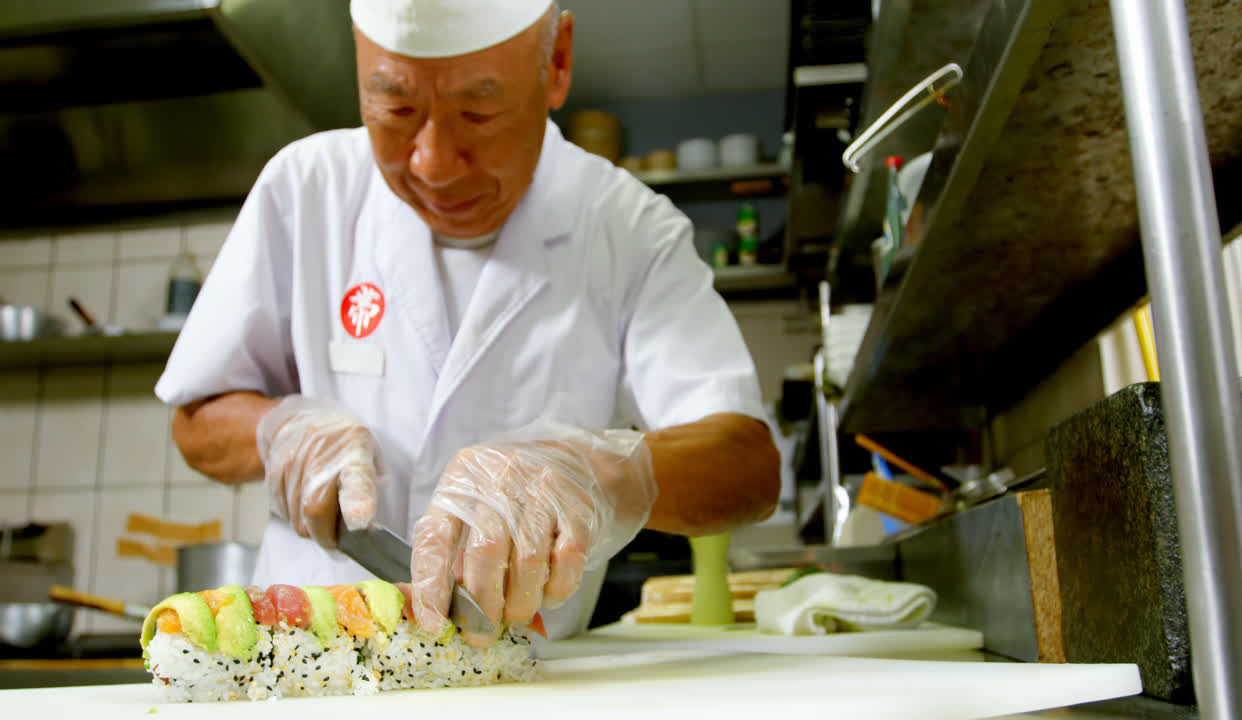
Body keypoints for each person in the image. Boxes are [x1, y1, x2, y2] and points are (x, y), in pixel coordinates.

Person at [154, 0, 780, 647]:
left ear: (557, 62)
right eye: (395, 109)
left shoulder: (628, 228)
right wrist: (281, 433)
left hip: (528, 679)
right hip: (309, 662)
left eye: (479, 112)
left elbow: (748, 465)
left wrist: (604, 476)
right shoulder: (305, 189)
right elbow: (196, 418)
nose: (432, 163)